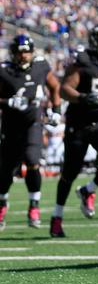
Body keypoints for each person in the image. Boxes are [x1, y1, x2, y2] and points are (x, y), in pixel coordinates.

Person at [50, 21, 98, 237]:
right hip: (79, 124)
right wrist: (83, 97)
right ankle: (56, 217)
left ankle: (88, 190)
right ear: (95, 42)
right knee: (69, 172)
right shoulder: (83, 60)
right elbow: (65, 89)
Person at [0, 34, 61, 230]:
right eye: (20, 52)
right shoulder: (4, 70)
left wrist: (56, 110)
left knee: (33, 161)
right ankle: (2, 203)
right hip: (10, 126)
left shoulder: (41, 66)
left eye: (27, 51)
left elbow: (54, 85)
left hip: (33, 123)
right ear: (13, 53)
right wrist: (6, 102)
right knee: (6, 169)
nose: (24, 55)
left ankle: (34, 205)